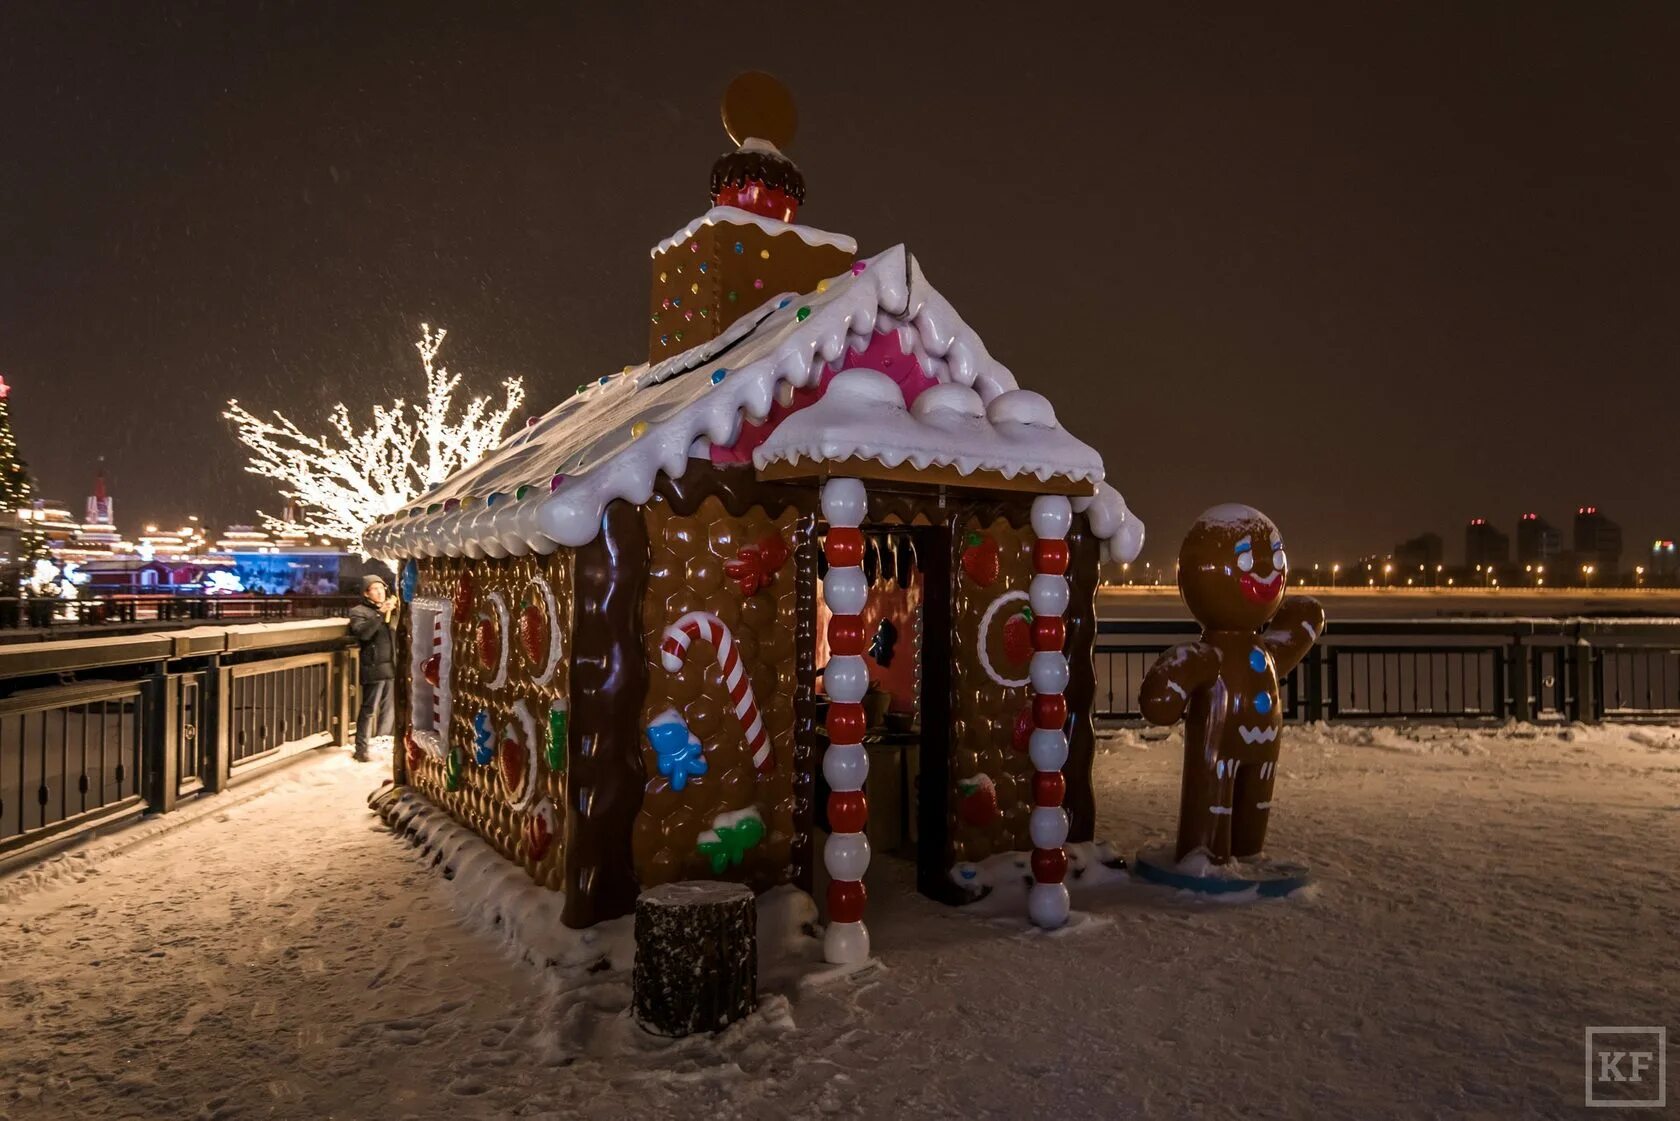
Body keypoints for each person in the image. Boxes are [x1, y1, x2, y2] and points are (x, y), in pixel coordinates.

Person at [347, 572, 398, 762]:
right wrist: (379, 614)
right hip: (373, 666)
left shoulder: (392, 611)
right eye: (374, 589)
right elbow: (363, 633)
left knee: (389, 709)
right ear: (366, 593)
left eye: (381, 588)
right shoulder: (359, 611)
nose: (379, 592)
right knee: (369, 709)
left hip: (391, 665)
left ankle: (383, 742)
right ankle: (361, 749)